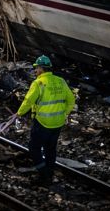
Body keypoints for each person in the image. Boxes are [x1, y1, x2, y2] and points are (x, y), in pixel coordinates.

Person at [14, 55, 76, 186]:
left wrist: (19, 113)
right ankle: (50, 172)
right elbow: (71, 100)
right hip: (58, 123)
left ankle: (44, 174)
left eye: (36, 68)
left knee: (34, 148)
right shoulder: (61, 81)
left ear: (42, 68)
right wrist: (64, 113)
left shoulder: (38, 83)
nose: (35, 71)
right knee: (50, 149)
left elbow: (28, 101)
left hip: (42, 123)